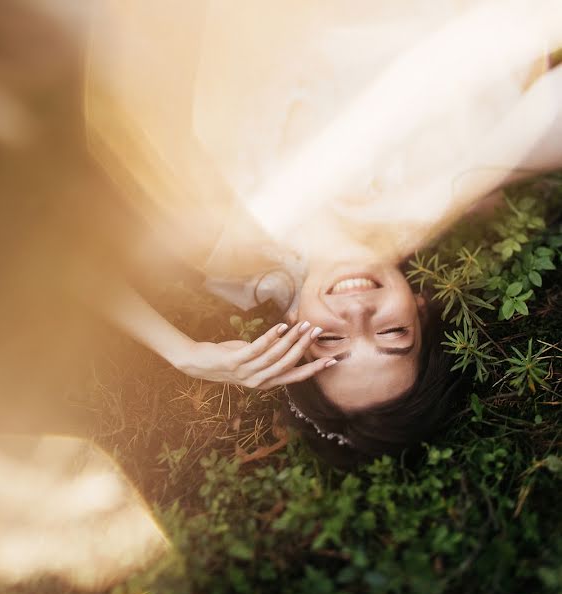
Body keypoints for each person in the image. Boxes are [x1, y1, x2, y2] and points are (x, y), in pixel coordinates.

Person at [87, 0, 562, 464]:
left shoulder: (222, 246)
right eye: (393, 332)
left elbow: (54, 256)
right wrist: (459, 184)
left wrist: (182, 351)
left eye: (331, 342)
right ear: (420, 306)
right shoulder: (441, 187)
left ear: (290, 334)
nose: (358, 312)